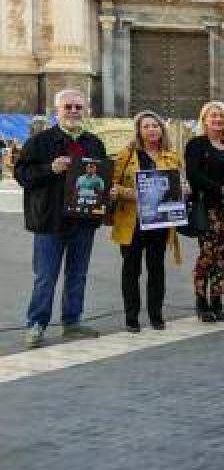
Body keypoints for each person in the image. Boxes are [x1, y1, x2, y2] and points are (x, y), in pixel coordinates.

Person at [15, 89, 111, 348]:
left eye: (78, 107)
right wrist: (50, 168)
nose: (73, 111)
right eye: (68, 106)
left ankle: (72, 322)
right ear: (56, 110)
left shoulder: (94, 142)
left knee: (77, 275)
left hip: (83, 221)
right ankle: (36, 324)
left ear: (85, 110)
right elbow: (22, 174)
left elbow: (102, 178)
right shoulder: (41, 141)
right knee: (45, 276)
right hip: (50, 220)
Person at [110, 111, 184, 333]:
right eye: (147, 126)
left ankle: (156, 315)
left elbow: (178, 185)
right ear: (139, 131)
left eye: (155, 126)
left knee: (156, 268)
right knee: (131, 270)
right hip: (132, 221)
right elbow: (112, 187)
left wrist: (184, 190)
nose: (152, 130)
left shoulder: (171, 156)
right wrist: (131, 194)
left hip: (159, 221)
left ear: (162, 130)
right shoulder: (126, 156)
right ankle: (131, 317)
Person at [185, 101, 224, 324]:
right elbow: (194, 175)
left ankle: (217, 302)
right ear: (204, 119)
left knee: (221, 257)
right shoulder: (196, 144)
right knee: (207, 255)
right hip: (207, 207)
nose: (217, 119)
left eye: (221, 116)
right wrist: (220, 189)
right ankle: (201, 303)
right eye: (213, 116)